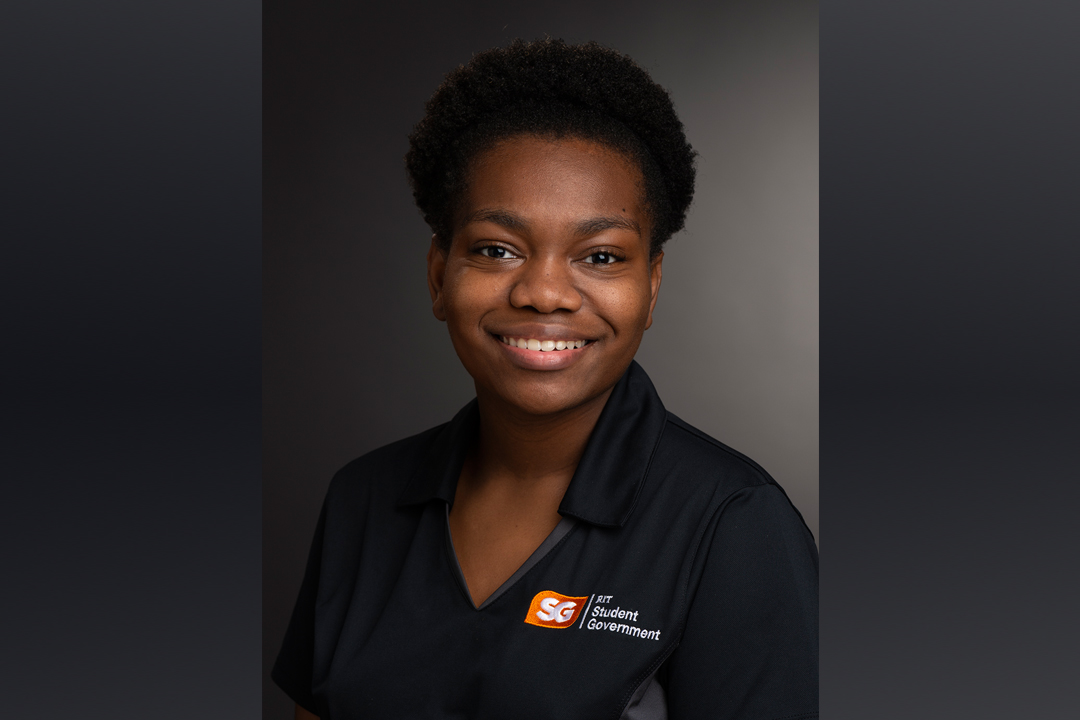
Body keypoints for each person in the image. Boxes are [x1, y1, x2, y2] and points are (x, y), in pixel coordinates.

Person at [273, 38, 817, 720]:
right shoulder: (364, 500)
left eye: (600, 255)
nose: (544, 292)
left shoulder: (732, 524)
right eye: (497, 249)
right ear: (440, 276)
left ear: (651, 288)